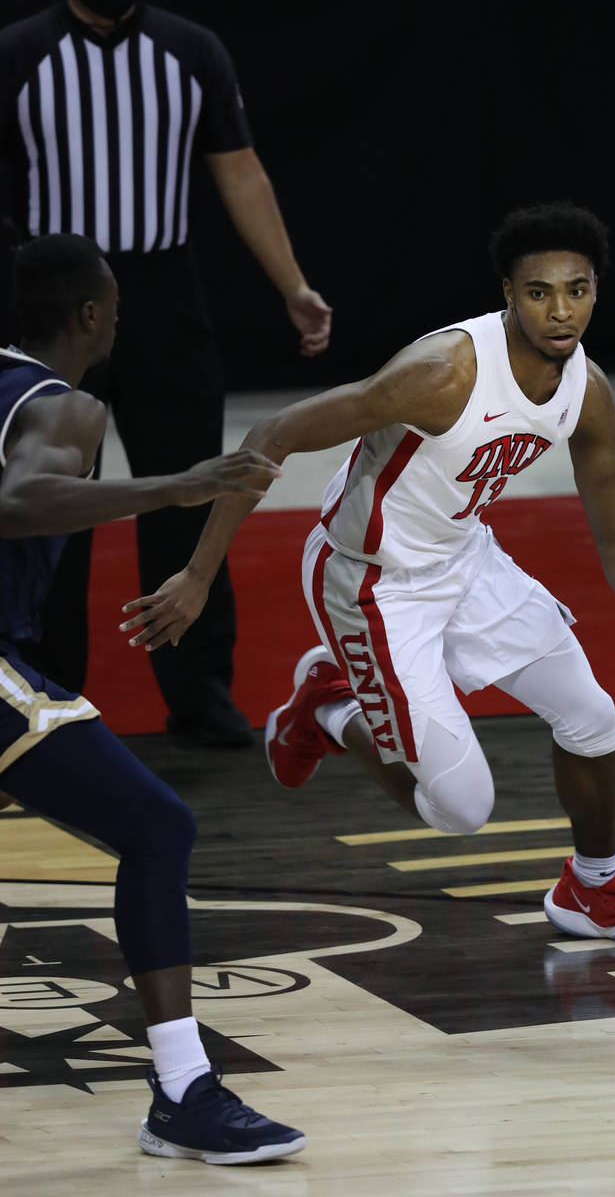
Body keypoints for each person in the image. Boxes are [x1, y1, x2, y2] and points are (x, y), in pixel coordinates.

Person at [121, 201, 615, 945]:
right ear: (508, 295)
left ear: (595, 292)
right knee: (461, 809)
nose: (560, 310)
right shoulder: (442, 375)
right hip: (369, 580)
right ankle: (330, 704)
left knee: (592, 716)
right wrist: (196, 573)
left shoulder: (588, 392)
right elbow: (274, 433)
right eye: (539, 292)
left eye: (575, 290)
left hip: (465, 557)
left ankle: (593, 889)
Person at [0, 231, 305, 1162]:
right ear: (92, 316)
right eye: (118, 307)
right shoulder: (71, 408)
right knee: (156, 827)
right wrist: (181, 486)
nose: (122, 319)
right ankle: (183, 1091)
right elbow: (15, 504)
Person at [0, 0, 332, 747]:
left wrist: (292, 285)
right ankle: (44, 689)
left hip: (161, 294)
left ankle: (198, 689)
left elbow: (240, 171)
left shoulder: (192, 50)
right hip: (50, 296)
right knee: (53, 499)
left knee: (190, 487)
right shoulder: (20, 53)